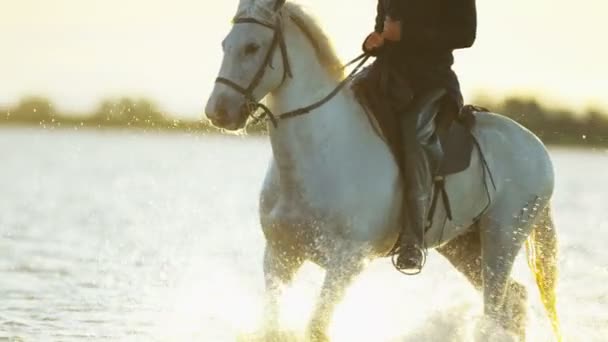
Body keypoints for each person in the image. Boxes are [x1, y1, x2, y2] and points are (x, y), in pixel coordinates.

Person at [363, 0, 477, 273]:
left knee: (415, 138)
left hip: (431, 83)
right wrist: (375, 41)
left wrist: (407, 34)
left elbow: (465, 35)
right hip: (386, 77)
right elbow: (384, 28)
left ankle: (413, 241)